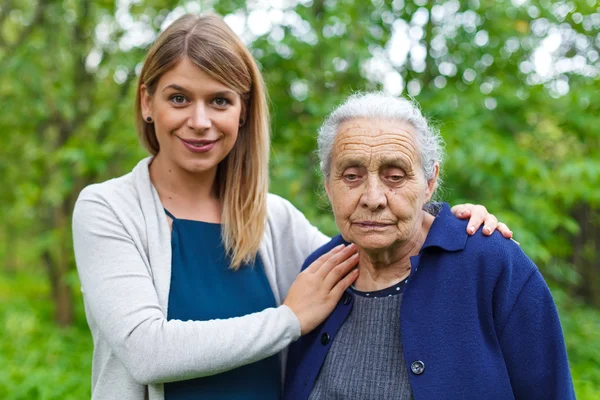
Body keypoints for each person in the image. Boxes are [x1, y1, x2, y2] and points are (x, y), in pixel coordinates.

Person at [72, 13, 513, 400]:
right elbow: (146, 353)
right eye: (179, 98)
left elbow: (381, 256)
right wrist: (288, 320)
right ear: (148, 102)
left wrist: (451, 226)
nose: (200, 121)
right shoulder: (108, 208)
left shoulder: (272, 218)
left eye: (220, 100)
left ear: (243, 111)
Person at [284, 92, 575, 400]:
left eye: (394, 177)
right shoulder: (319, 271)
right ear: (329, 185)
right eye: (352, 176)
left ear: (429, 182)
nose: (373, 198)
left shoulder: (492, 265)